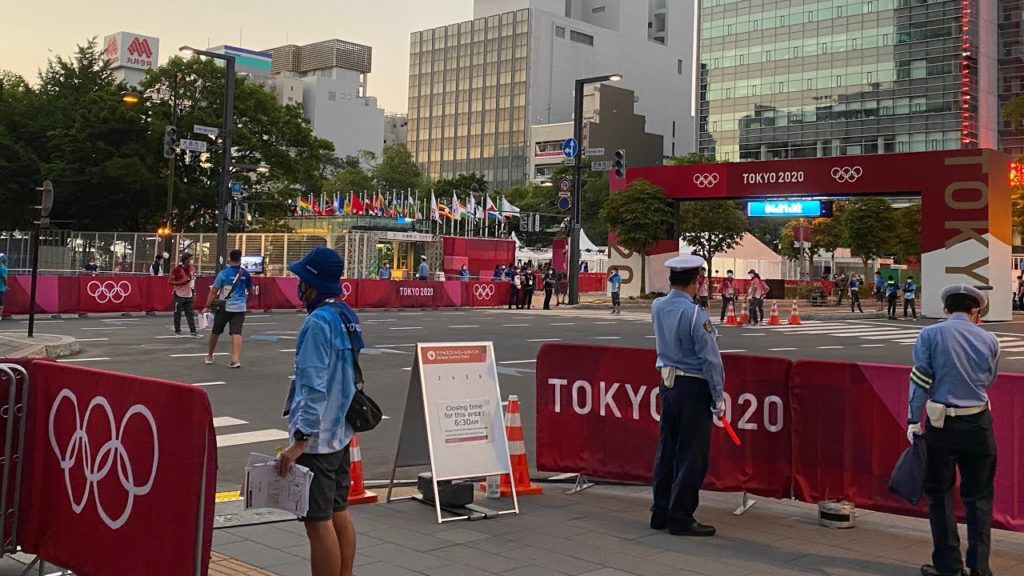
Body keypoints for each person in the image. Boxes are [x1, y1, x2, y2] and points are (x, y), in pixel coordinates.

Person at [277, 247, 360, 576]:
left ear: (312, 283)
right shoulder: (345, 315)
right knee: (339, 513)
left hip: (318, 441)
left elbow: (313, 386)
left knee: (317, 523)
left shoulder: (316, 323)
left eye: (301, 278)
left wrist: (301, 440)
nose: (299, 284)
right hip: (340, 435)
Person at [907, 285, 998, 576]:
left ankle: (949, 566)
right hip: (979, 423)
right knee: (979, 497)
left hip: (942, 424)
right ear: (976, 313)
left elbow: (920, 380)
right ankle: (980, 567)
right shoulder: (990, 339)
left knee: (940, 493)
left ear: (946, 310)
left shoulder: (929, 335)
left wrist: (912, 419)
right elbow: (989, 379)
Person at [650, 255, 725, 537]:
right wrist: (718, 396)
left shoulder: (657, 306)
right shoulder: (696, 314)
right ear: (697, 281)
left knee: (666, 448)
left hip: (667, 384)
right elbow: (710, 358)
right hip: (694, 386)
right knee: (691, 454)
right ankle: (681, 515)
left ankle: (660, 511)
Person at [204, 250, 253, 368]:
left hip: (224, 306)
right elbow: (251, 291)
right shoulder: (245, 274)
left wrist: (207, 305)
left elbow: (214, 291)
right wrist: (246, 301)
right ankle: (235, 359)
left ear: (230, 259)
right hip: (240, 307)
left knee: (216, 331)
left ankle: (210, 356)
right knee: (237, 333)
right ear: (240, 260)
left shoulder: (223, 273)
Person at [169, 252, 198, 337]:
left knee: (190, 313)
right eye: (189, 259)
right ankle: (177, 330)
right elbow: (170, 281)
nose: (190, 261)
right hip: (178, 294)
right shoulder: (177, 269)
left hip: (188, 293)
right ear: (185, 260)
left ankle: (193, 330)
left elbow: (193, 281)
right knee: (177, 313)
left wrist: (194, 291)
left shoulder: (192, 269)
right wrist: (181, 282)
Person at [0, 253, 7, 320]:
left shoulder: (2, 268)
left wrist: (5, 286)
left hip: (1, 288)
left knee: (0, 302)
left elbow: (4, 278)